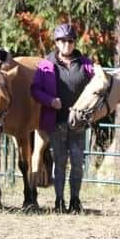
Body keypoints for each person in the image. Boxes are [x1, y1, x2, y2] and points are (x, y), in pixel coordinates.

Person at [31, 23, 94, 213]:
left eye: (70, 40)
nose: (66, 44)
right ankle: (59, 200)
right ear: (56, 42)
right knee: (59, 162)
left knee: (77, 163)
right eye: (62, 41)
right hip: (56, 121)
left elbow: (98, 84)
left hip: (79, 123)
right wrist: (50, 101)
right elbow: (34, 90)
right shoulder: (46, 64)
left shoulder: (85, 64)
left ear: (74, 42)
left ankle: (75, 200)